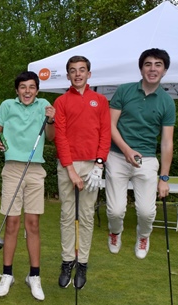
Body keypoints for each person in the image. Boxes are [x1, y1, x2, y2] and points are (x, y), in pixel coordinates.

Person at [0, 71, 55, 300]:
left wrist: (52, 120)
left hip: (35, 169)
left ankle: (34, 276)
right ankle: (7, 274)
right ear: (17, 90)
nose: (27, 91)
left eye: (31, 87)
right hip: (13, 168)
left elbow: (52, 136)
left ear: (37, 90)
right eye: (23, 87)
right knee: (12, 223)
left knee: (33, 224)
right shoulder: (7, 105)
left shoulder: (45, 105)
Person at [106, 48, 175, 259]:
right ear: (141, 68)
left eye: (158, 65)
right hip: (117, 156)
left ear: (164, 71)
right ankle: (115, 232)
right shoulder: (124, 91)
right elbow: (109, 125)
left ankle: (143, 236)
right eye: (148, 64)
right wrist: (126, 150)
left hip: (147, 160)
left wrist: (164, 178)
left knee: (146, 212)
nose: (152, 69)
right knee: (115, 211)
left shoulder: (167, 102)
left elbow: (166, 142)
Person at [53, 56, 111, 290]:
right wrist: (71, 170)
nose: (77, 74)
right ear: (67, 75)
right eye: (73, 71)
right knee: (68, 216)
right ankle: (67, 262)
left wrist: (99, 164)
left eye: (82, 70)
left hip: (92, 166)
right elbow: (60, 136)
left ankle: (83, 263)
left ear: (89, 74)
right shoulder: (61, 101)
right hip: (68, 165)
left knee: (86, 217)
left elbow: (105, 134)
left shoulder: (100, 100)